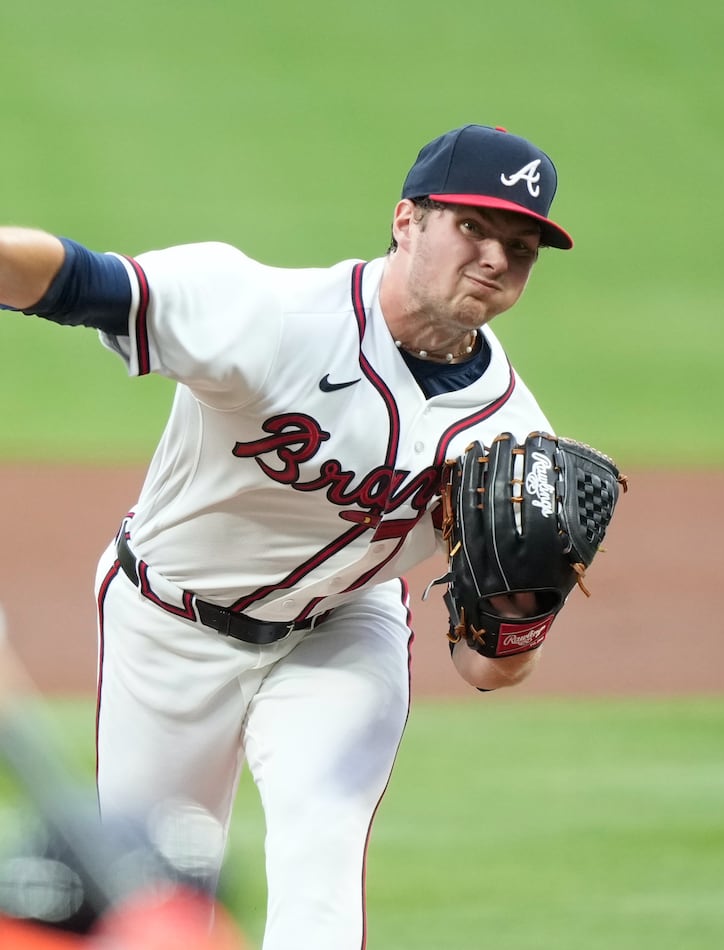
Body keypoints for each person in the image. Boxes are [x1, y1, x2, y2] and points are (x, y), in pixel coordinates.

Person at [0, 124, 574, 948]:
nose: (494, 257)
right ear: (407, 221)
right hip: (168, 621)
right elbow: (79, 279)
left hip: (341, 633)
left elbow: (491, 666)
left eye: (521, 246)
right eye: (473, 227)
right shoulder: (270, 313)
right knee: (142, 891)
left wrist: (527, 602)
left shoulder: (514, 437)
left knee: (322, 841)